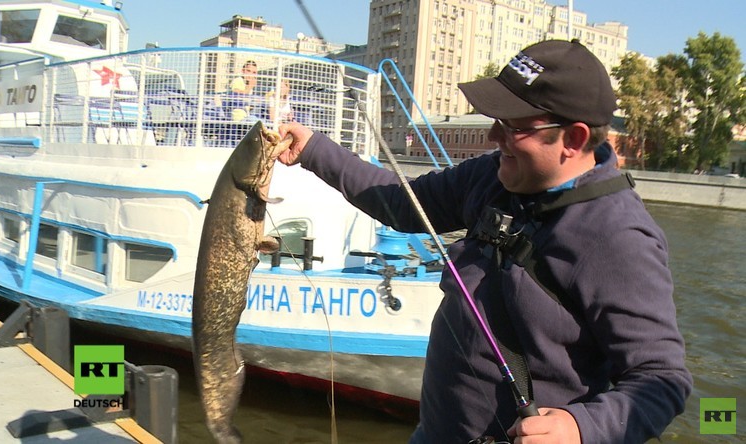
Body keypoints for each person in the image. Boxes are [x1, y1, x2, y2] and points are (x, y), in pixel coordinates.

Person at [277, 39, 692, 443]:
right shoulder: (493, 174)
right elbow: (404, 204)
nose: (494, 136)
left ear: (575, 139)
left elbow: (662, 378)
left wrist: (580, 428)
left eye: (512, 127)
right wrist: (314, 149)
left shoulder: (617, 238)